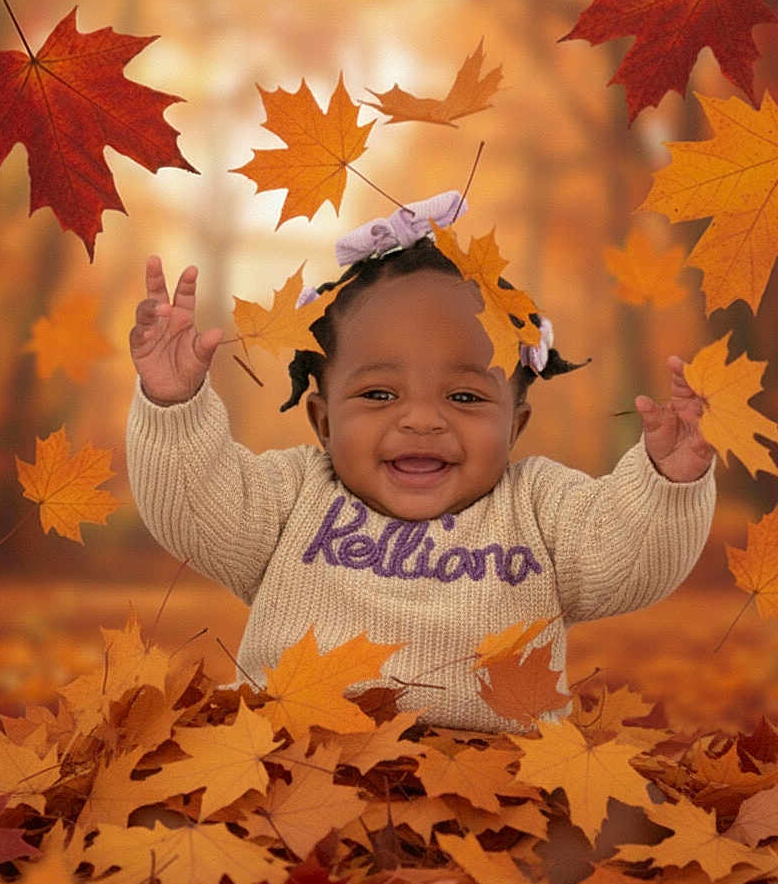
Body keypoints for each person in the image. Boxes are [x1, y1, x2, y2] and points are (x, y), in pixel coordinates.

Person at [126, 192, 716, 734]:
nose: (422, 421)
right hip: (297, 767)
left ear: (515, 426)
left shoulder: (541, 507)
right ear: (323, 421)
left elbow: (628, 561)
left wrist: (668, 480)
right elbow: (195, 509)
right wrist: (173, 405)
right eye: (380, 395)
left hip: (496, 793)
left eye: (464, 397)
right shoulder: (293, 497)